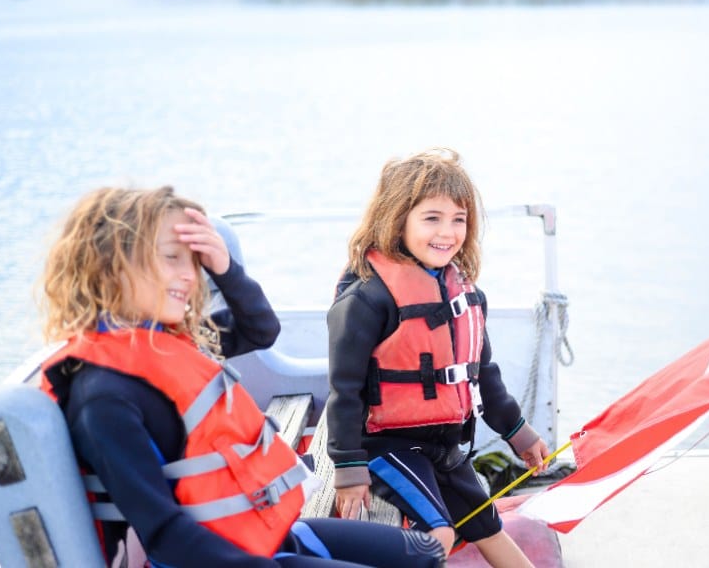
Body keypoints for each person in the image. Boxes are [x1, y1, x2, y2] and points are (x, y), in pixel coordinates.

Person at [38, 186, 445, 568]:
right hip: (228, 557)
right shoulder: (103, 396)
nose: (189, 276)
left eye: (192, 262)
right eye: (171, 258)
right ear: (112, 266)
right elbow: (163, 534)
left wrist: (225, 268)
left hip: (267, 535)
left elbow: (259, 329)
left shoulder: (169, 345)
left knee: (426, 552)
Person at [326, 149, 550, 567]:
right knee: (439, 533)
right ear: (397, 219)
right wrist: (349, 468)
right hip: (385, 445)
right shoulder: (367, 300)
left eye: (458, 219)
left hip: (445, 445)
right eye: (432, 218)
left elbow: (484, 375)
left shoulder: (465, 296)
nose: (447, 231)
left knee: (489, 526)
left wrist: (518, 432)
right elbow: (344, 389)